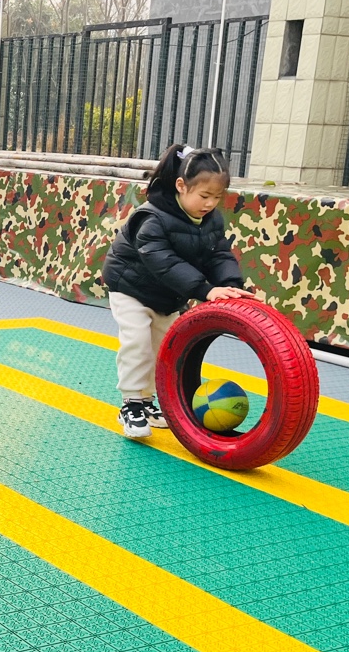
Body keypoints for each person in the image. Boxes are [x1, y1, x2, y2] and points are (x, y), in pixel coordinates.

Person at [103, 143, 257, 438]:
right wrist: (205, 290)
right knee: (138, 342)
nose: (210, 204)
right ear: (181, 186)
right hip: (131, 288)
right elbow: (162, 261)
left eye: (217, 197)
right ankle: (131, 403)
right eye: (204, 195)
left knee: (163, 349)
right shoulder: (152, 218)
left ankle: (147, 402)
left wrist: (230, 286)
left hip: (168, 295)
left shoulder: (211, 220)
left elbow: (218, 254)